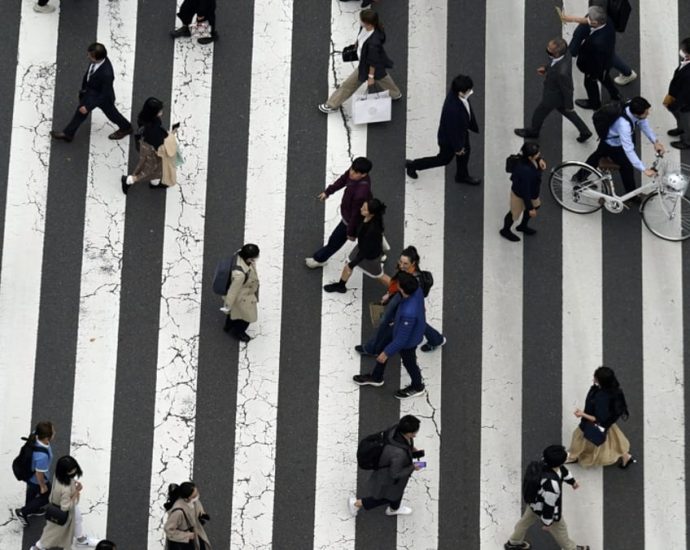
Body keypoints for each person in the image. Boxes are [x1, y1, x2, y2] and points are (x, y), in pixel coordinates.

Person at [355, 246, 445, 355]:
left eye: (405, 263)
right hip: (400, 297)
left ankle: (374, 348)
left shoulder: (413, 281)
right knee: (414, 322)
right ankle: (436, 339)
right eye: (400, 261)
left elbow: (406, 293)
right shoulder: (406, 271)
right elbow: (397, 284)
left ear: (413, 263)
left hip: (404, 300)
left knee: (388, 323)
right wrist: (389, 294)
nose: (401, 266)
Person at [353, 272, 427, 399]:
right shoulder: (417, 290)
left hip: (408, 341)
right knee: (383, 345)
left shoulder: (409, 313)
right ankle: (376, 377)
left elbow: (402, 340)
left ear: (403, 290)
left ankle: (417, 386)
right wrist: (391, 295)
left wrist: (387, 353)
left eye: (398, 285)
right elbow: (400, 295)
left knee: (409, 363)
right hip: (399, 328)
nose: (396, 285)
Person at [504, 445, 589, 550]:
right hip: (544, 508)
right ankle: (571, 548)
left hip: (534, 503)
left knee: (524, 522)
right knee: (561, 529)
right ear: (559, 463)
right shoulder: (551, 486)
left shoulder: (544, 463)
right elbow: (549, 506)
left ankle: (514, 542)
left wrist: (572, 482)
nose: (567, 455)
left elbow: (563, 471)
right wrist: (548, 523)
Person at [318, 9, 402, 113]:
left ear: (368, 23)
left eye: (361, 20)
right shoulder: (368, 27)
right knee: (382, 77)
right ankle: (395, 94)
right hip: (374, 62)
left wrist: (370, 77)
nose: (360, 22)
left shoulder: (373, 42)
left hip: (367, 65)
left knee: (348, 85)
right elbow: (361, 36)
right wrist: (356, 43)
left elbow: (372, 61)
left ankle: (332, 104)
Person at [405, 74, 481, 185]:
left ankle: (462, 175)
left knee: (465, 155)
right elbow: (452, 132)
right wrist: (458, 148)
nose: (470, 92)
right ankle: (414, 165)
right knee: (443, 159)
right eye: (469, 90)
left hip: (461, 134)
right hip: (450, 141)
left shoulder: (457, 96)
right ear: (460, 92)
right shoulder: (453, 109)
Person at [50, 43, 132, 143]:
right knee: (80, 112)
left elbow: (104, 94)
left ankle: (126, 127)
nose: (87, 56)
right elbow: (89, 75)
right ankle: (68, 134)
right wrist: (84, 90)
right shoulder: (97, 62)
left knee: (112, 114)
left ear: (97, 58)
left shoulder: (107, 74)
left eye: (90, 55)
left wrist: (88, 107)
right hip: (91, 92)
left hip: (102, 97)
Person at [583, 96, 665, 195]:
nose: (648, 113)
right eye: (646, 113)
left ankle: (579, 177)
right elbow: (629, 150)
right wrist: (644, 169)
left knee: (596, 157)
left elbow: (643, 123)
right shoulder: (624, 125)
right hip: (613, 144)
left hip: (609, 139)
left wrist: (655, 141)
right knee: (626, 167)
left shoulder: (632, 104)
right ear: (636, 114)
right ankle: (632, 196)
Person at [514, 38, 591, 143]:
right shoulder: (565, 55)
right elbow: (554, 62)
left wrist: (569, 105)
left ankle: (533, 132)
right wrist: (546, 68)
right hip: (558, 96)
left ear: (557, 53)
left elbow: (568, 89)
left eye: (550, 50)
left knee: (539, 113)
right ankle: (585, 131)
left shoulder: (561, 73)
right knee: (568, 113)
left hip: (552, 97)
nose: (547, 50)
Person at [348, 415, 423, 517]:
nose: (415, 435)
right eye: (414, 433)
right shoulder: (398, 454)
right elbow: (395, 474)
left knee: (396, 494)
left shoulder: (396, 429)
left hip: (392, 476)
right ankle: (357, 504)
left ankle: (394, 509)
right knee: (385, 497)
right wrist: (413, 467)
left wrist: (411, 448)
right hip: (389, 479)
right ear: (409, 433)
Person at [305, 157, 373, 269]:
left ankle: (319, 259)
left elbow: (355, 216)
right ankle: (379, 250)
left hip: (351, 220)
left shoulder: (361, 193)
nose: (351, 173)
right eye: (351, 169)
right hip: (358, 215)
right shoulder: (354, 173)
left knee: (335, 241)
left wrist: (351, 232)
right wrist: (328, 192)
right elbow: (343, 179)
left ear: (364, 174)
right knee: (369, 234)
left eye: (355, 172)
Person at [567, 366, 636, 468]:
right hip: (606, 424)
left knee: (578, 437)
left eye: (595, 377)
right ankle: (626, 456)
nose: (593, 378)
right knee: (613, 440)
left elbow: (598, 419)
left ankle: (572, 457)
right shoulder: (613, 391)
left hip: (593, 423)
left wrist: (582, 414)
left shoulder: (602, 398)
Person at [559, 0, 637, 86]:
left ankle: (627, 73)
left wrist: (574, 19)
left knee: (607, 54)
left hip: (600, 20)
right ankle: (567, 59)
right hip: (601, 17)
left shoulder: (599, 6)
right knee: (578, 36)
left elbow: (595, 19)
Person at [323, 198, 388, 293]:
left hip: (369, 257)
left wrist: (353, 263)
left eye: (365, 209)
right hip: (364, 248)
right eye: (363, 206)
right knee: (348, 266)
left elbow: (365, 251)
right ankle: (341, 286)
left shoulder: (371, 230)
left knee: (379, 276)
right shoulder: (372, 219)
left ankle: (398, 290)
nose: (361, 208)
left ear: (371, 214)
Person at [30, 456, 95, 550]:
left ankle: (81, 539)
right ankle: (38, 547)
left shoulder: (58, 475)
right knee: (53, 531)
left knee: (77, 519)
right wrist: (77, 491)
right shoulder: (66, 489)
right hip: (63, 510)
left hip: (57, 505)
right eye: (71, 471)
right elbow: (65, 507)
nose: (74, 472)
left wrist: (73, 482)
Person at [121, 97, 178, 195]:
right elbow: (161, 144)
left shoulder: (144, 118)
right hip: (153, 151)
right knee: (150, 169)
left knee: (152, 167)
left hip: (144, 145)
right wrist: (172, 134)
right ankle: (129, 180)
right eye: (159, 111)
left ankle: (154, 182)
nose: (162, 112)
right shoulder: (153, 129)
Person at [569, 6, 620, 111]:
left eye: (590, 19)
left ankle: (595, 104)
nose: (587, 19)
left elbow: (596, 62)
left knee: (589, 83)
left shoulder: (597, 43)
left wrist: (593, 75)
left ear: (596, 23)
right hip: (606, 62)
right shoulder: (608, 21)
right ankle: (616, 95)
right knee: (605, 78)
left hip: (594, 67)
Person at [500, 142, 545, 242]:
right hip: (520, 194)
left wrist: (539, 159)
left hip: (532, 191)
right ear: (530, 157)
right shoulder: (525, 171)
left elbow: (536, 158)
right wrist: (530, 208)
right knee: (513, 214)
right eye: (537, 154)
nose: (539, 154)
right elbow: (525, 192)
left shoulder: (525, 157)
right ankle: (505, 230)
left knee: (536, 206)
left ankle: (523, 226)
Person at [14, 421, 55, 528]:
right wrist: (42, 486)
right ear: (47, 438)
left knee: (32, 490)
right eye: (53, 431)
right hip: (36, 479)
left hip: (28, 474)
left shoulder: (35, 435)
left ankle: (32, 508)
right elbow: (39, 473)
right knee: (46, 496)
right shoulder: (42, 457)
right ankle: (23, 512)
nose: (55, 432)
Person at [222, 244, 260, 343]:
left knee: (234, 313)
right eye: (254, 257)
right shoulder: (240, 275)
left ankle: (228, 326)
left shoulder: (238, 255)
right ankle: (239, 332)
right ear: (248, 259)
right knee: (247, 318)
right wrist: (227, 306)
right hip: (243, 297)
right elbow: (232, 292)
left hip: (241, 295)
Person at [163, 482, 212, 550]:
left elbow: (197, 505)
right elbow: (168, 529)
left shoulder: (192, 500)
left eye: (197, 492)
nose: (197, 495)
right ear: (187, 498)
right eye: (194, 495)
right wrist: (187, 535)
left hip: (194, 533)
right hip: (184, 541)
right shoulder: (178, 512)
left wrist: (201, 514)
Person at [665, 38, 690, 150]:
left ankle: (687, 141)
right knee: (678, 116)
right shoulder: (686, 61)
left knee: (686, 121)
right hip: (676, 95)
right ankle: (681, 129)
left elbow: (685, 95)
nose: (681, 50)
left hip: (684, 104)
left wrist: (675, 105)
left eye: (683, 49)